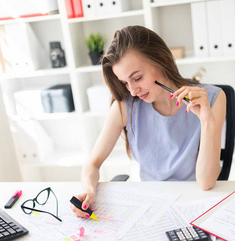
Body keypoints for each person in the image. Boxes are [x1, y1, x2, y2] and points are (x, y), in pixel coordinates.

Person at [71, 25, 226, 219]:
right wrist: (89, 191)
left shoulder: (213, 98)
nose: (133, 90)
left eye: (137, 78)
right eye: (125, 83)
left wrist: (206, 120)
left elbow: (205, 182)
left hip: (195, 203)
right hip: (151, 206)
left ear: (162, 60)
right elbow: (92, 164)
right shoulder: (125, 106)